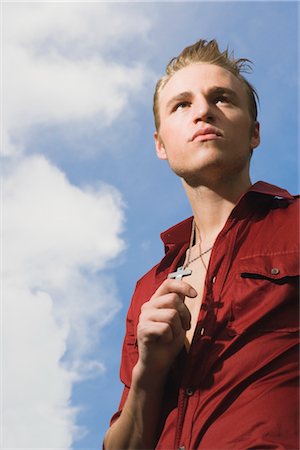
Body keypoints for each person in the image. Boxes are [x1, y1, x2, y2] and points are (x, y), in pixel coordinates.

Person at [103, 39, 299, 449]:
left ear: (254, 133)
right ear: (160, 144)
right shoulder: (148, 289)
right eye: (181, 104)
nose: (203, 111)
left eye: (222, 98)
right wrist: (148, 374)